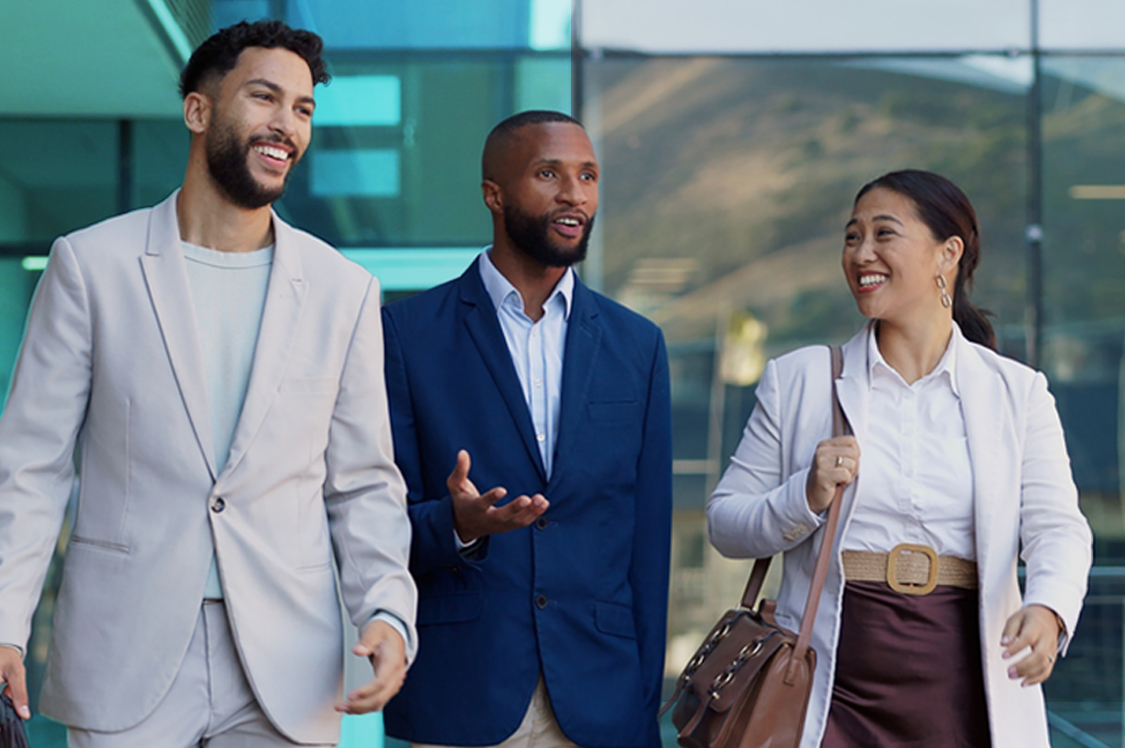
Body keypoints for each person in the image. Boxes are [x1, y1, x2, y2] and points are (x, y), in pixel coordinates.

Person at [0, 20, 416, 747]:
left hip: (287, 660)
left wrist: (386, 611)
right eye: (265, 98)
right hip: (123, 647)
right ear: (198, 111)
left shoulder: (341, 290)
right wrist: (4, 620)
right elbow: (31, 465)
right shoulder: (90, 265)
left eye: (302, 108)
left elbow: (361, 484)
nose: (285, 123)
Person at [707, 170, 1092, 748]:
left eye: (884, 235)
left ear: (948, 254)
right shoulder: (800, 380)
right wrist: (804, 495)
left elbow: (1058, 528)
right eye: (851, 237)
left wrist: (1047, 610)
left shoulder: (1017, 392)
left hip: (968, 682)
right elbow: (725, 523)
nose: (863, 253)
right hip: (828, 680)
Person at [380, 110, 672, 748]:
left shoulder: (638, 345)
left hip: (603, 702)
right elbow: (372, 522)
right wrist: (458, 526)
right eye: (549, 174)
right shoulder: (405, 335)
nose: (575, 193)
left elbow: (648, 545)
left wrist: (643, 705)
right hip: (462, 695)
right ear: (494, 193)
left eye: (588, 175)